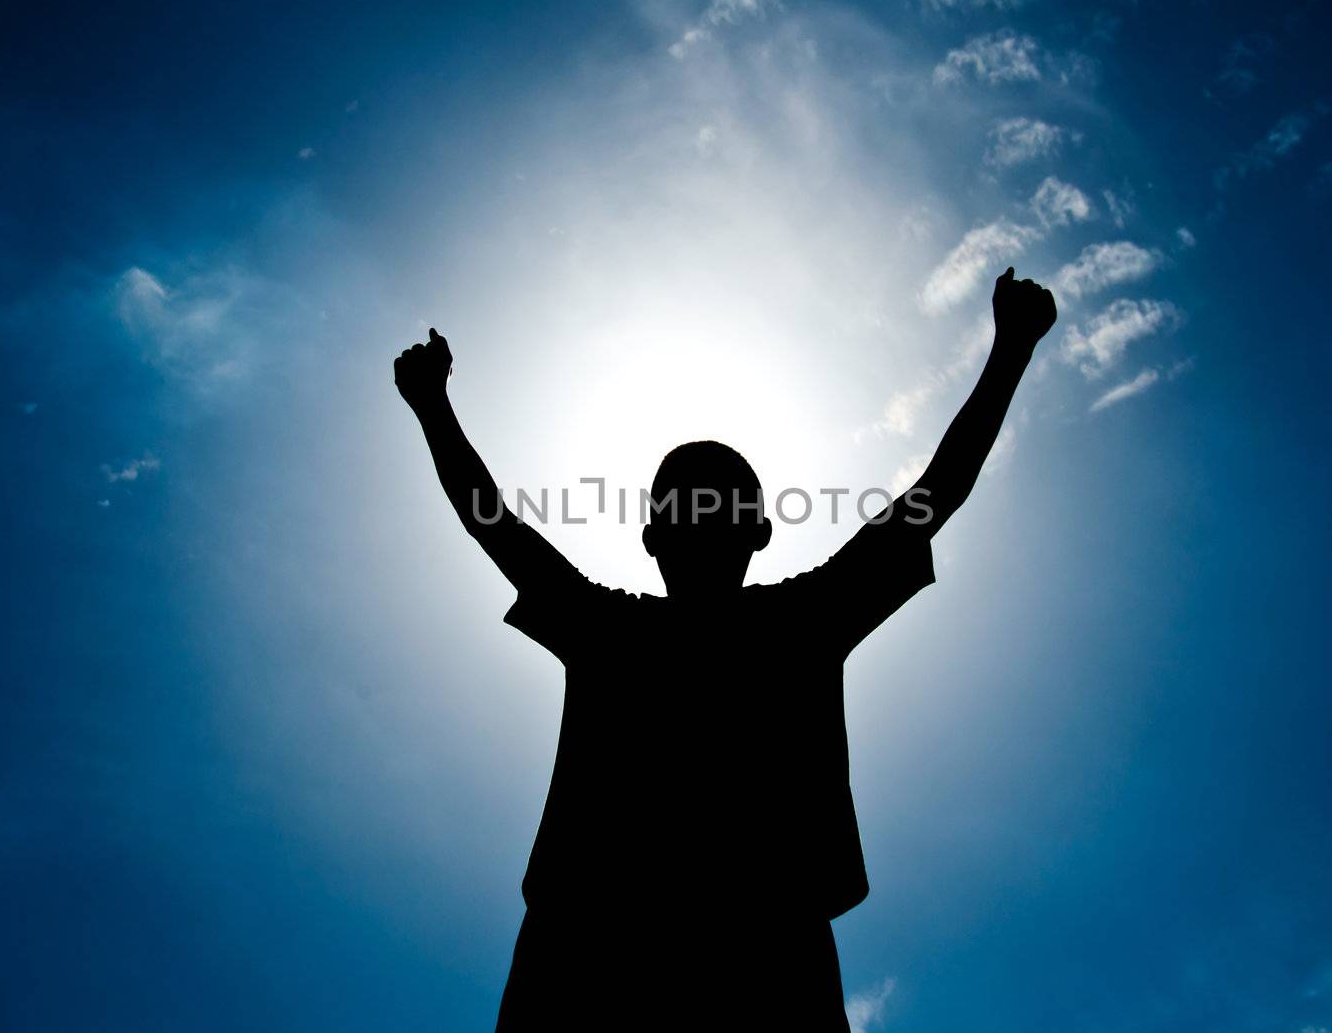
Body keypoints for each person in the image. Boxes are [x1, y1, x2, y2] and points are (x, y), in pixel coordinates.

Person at [394, 267, 1058, 1030]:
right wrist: (433, 407)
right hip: (596, 938)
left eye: (721, 500)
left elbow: (935, 495)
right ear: (652, 535)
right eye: (683, 501)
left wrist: (1011, 348)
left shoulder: (782, 619)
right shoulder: (632, 626)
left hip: (756, 937)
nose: (701, 514)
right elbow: (494, 523)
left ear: (756, 530)